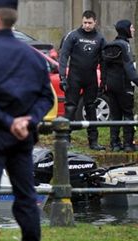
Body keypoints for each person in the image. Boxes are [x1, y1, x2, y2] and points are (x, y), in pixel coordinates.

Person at [0, 1, 54, 241]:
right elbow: (46, 97)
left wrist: (8, 122)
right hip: (23, 137)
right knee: (26, 196)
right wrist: (28, 120)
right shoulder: (33, 56)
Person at [59, 10, 106, 150]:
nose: (86, 25)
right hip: (74, 76)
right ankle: (65, 139)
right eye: (84, 22)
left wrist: (103, 81)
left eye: (89, 23)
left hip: (91, 77)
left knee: (91, 108)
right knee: (70, 107)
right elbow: (63, 56)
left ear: (95, 22)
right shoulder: (73, 35)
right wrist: (62, 77)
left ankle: (93, 141)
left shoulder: (100, 38)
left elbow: (104, 62)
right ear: (82, 21)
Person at [101, 20, 138, 152]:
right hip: (124, 86)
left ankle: (114, 144)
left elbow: (103, 67)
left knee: (115, 115)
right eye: (131, 27)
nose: (133, 30)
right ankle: (128, 144)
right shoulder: (125, 46)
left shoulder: (109, 45)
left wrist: (103, 85)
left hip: (110, 86)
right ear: (125, 29)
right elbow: (129, 69)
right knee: (127, 114)